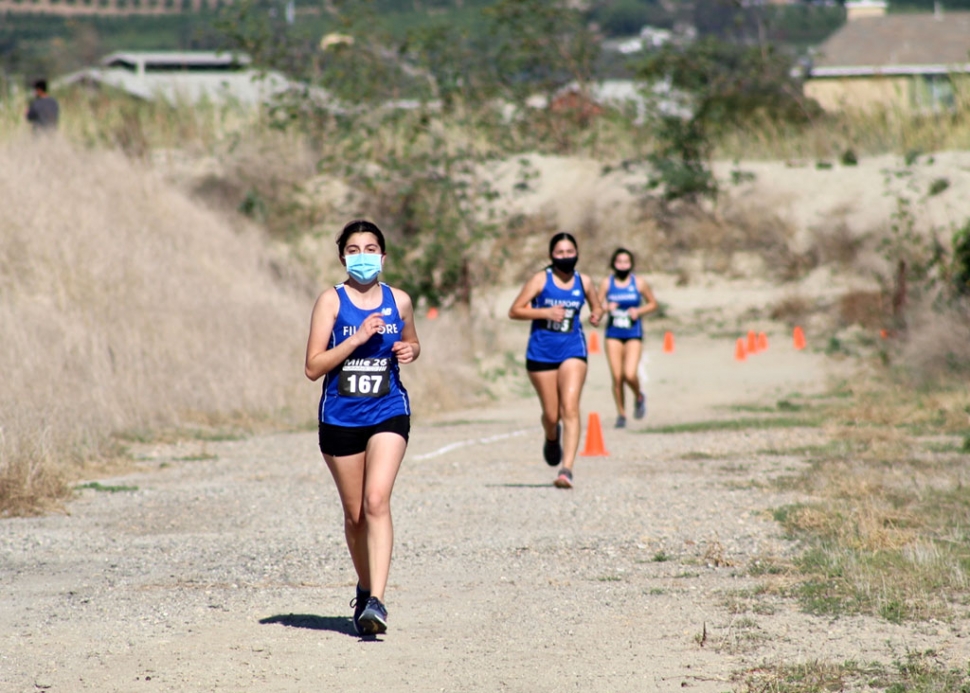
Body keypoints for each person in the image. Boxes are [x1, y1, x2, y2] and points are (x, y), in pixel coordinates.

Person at [304, 220, 420, 636]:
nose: (363, 256)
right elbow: (312, 367)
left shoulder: (399, 300)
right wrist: (355, 339)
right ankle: (365, 585)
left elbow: (412, 341)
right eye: (354, 249)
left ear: (383, 256)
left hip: (388, 410)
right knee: (355, 516)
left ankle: (378, 602)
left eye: (371, 248)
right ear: (342, 258)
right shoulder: (331, 302)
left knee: (376, 502)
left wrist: (411, 349)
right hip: (340, 417)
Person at [509, 232, 603, 489]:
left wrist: (597, 314)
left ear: (577, 254)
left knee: (569, 407)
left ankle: (567, 470)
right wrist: (544, 312)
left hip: (573, 349)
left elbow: (597, 306)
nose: (565, 257)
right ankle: (552, 436)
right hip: (541, 352)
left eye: (569, 252)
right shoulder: (541, 280)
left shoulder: (583, 281)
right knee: (552, 415)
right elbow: (515, 310)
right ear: (552, 255)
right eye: (560, 253)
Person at [597, 248, 658, 429]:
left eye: (626, 262)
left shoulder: (639, 283)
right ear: (613, 264)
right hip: (613, 333)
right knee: (617, 377)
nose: (622, 265)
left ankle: (639, 396)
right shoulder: (607, 283)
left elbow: (653, 303)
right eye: (619, 262)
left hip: (633, 333)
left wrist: (638, 311)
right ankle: (621, 414)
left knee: (629, 373)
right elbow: (596, 307)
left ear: (631, 264)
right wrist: (606, 307)